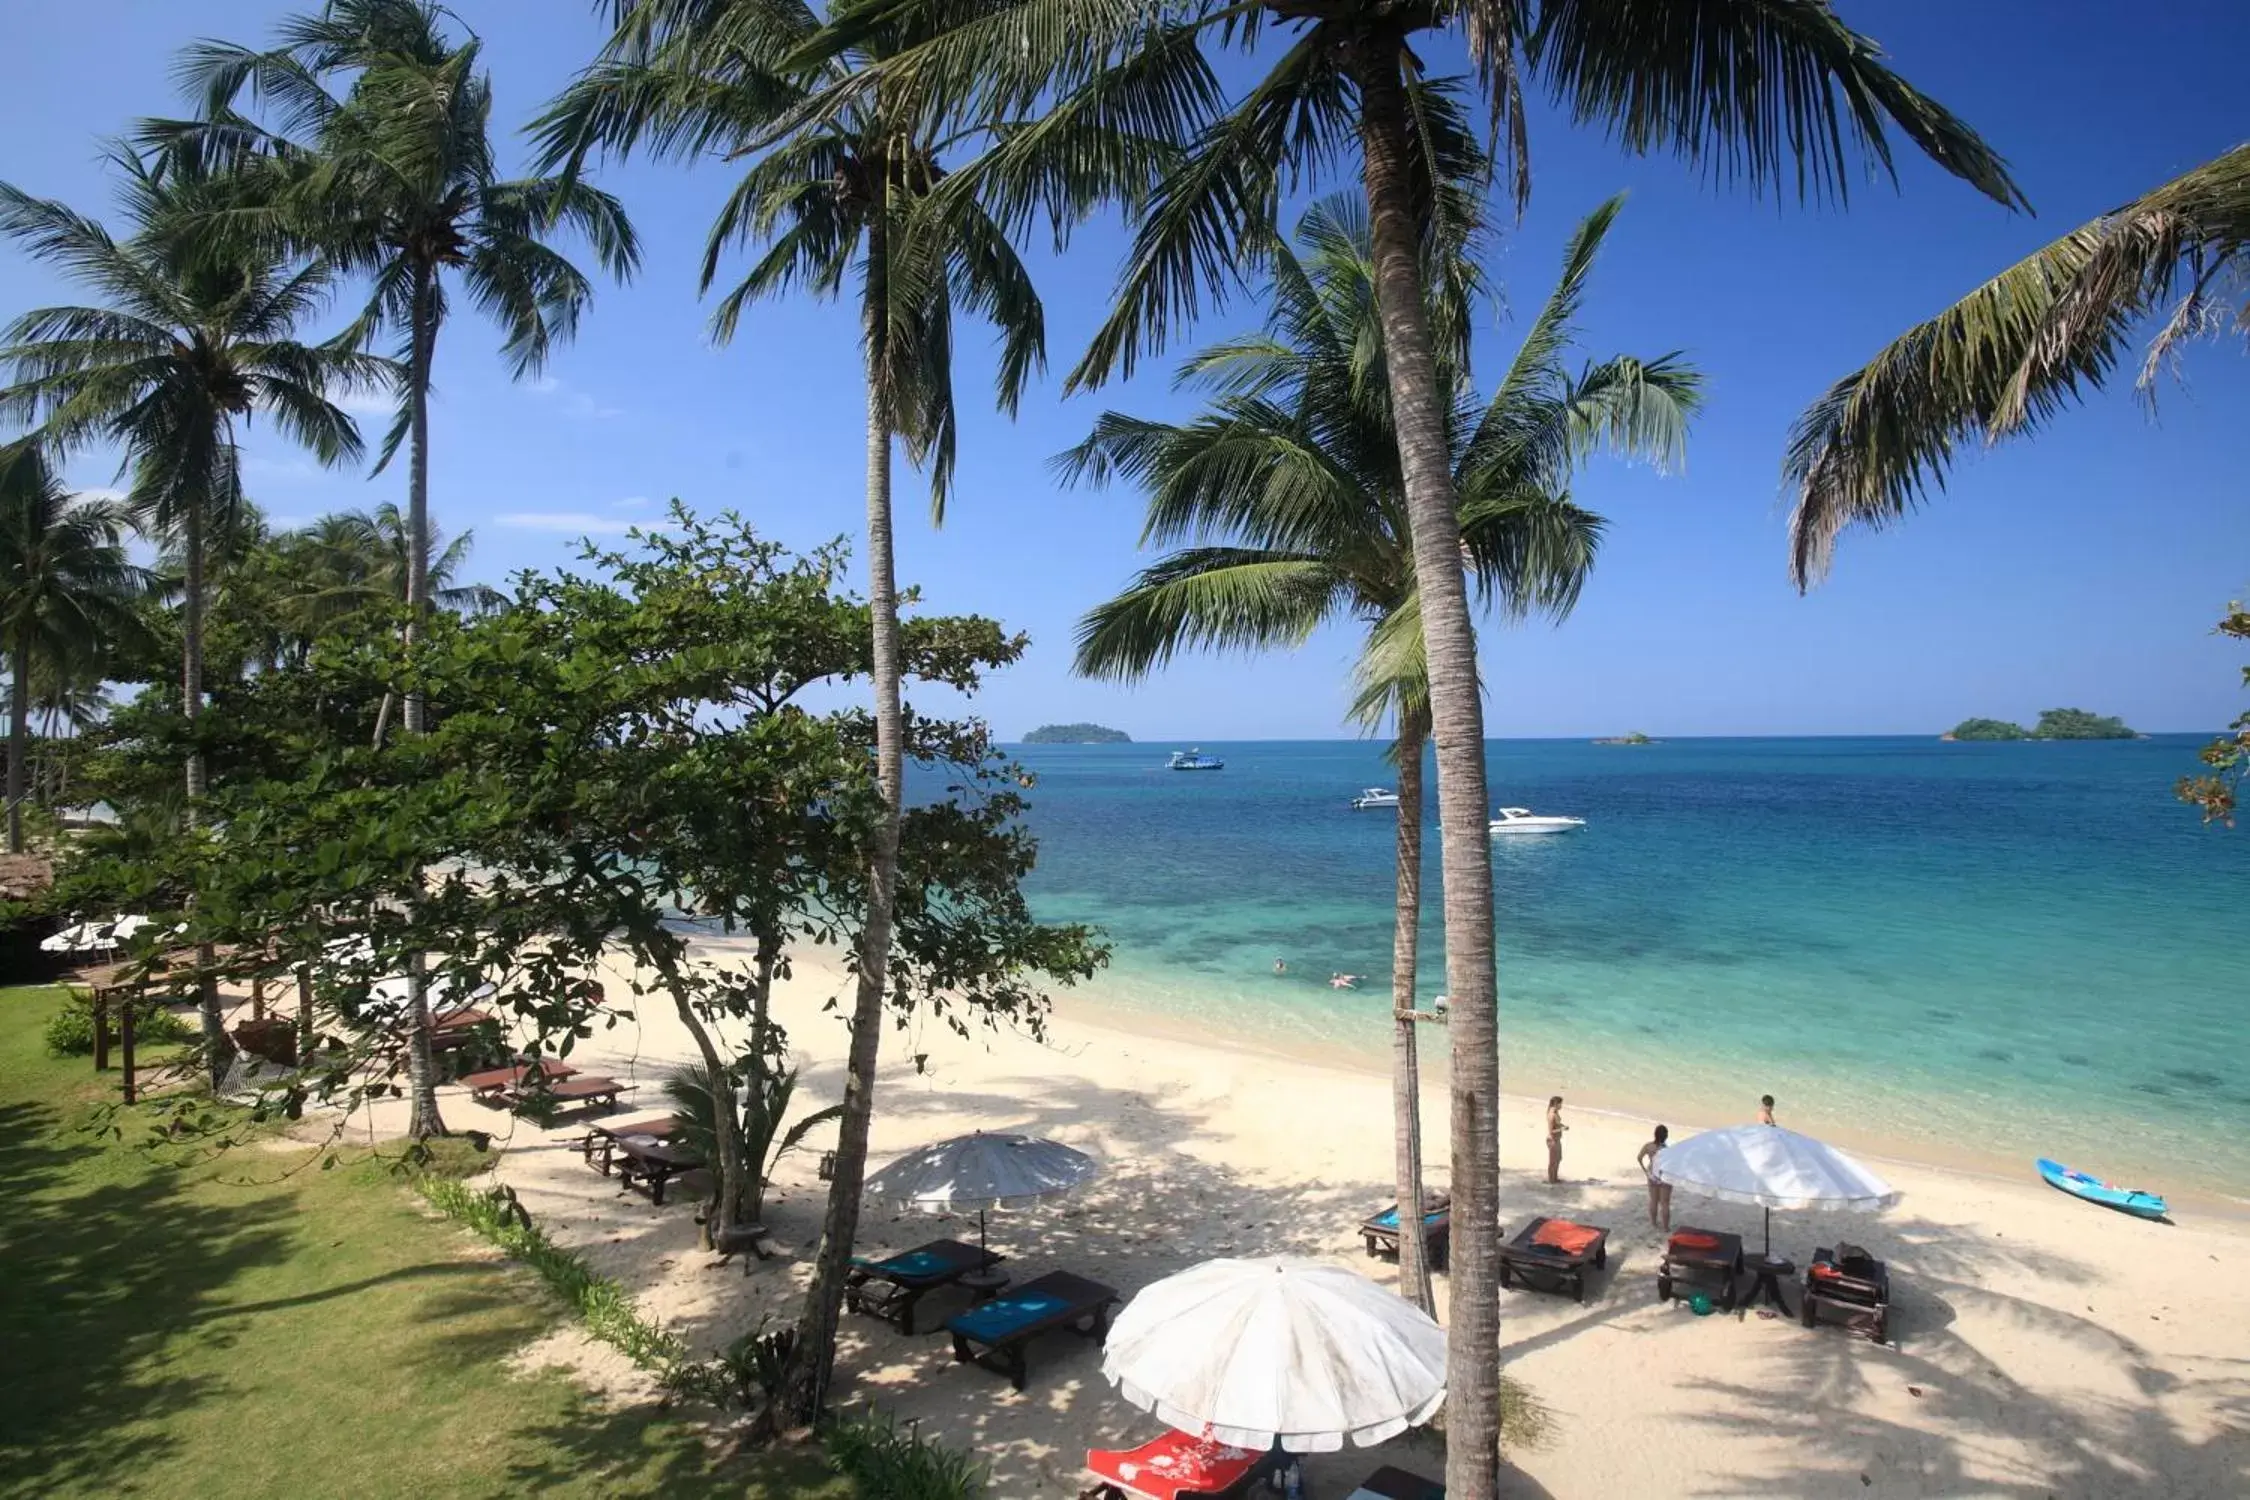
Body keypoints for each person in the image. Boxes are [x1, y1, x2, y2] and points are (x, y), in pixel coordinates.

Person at [1638, 1125, 1672, 1233]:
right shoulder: (1668, 1149)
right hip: (1664, 1176)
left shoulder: (1648, 1146)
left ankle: (1654, 1223)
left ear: (1655, 1134)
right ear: (1666, 1136)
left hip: (1652, 1175)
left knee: (1653, 1201)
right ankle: (1666, 1227)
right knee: (1665, 1203)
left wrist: (1645, 1171)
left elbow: (1639, 1158)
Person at [1545, 1096, 1568, 1184]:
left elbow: (1557, 1124)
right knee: (1553, 1161)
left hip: (1556, 1139)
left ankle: (1555, 1178)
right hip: (1552, 1140)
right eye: (1560, 1104)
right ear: (1556, 1104)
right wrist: (1562, 1129)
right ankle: (1551, 1180)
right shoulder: (1552, 1114)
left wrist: (1562, 1126)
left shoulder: (1555, 1112)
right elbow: (1551, 1131)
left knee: (1558, 1159)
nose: (1561, 1105)